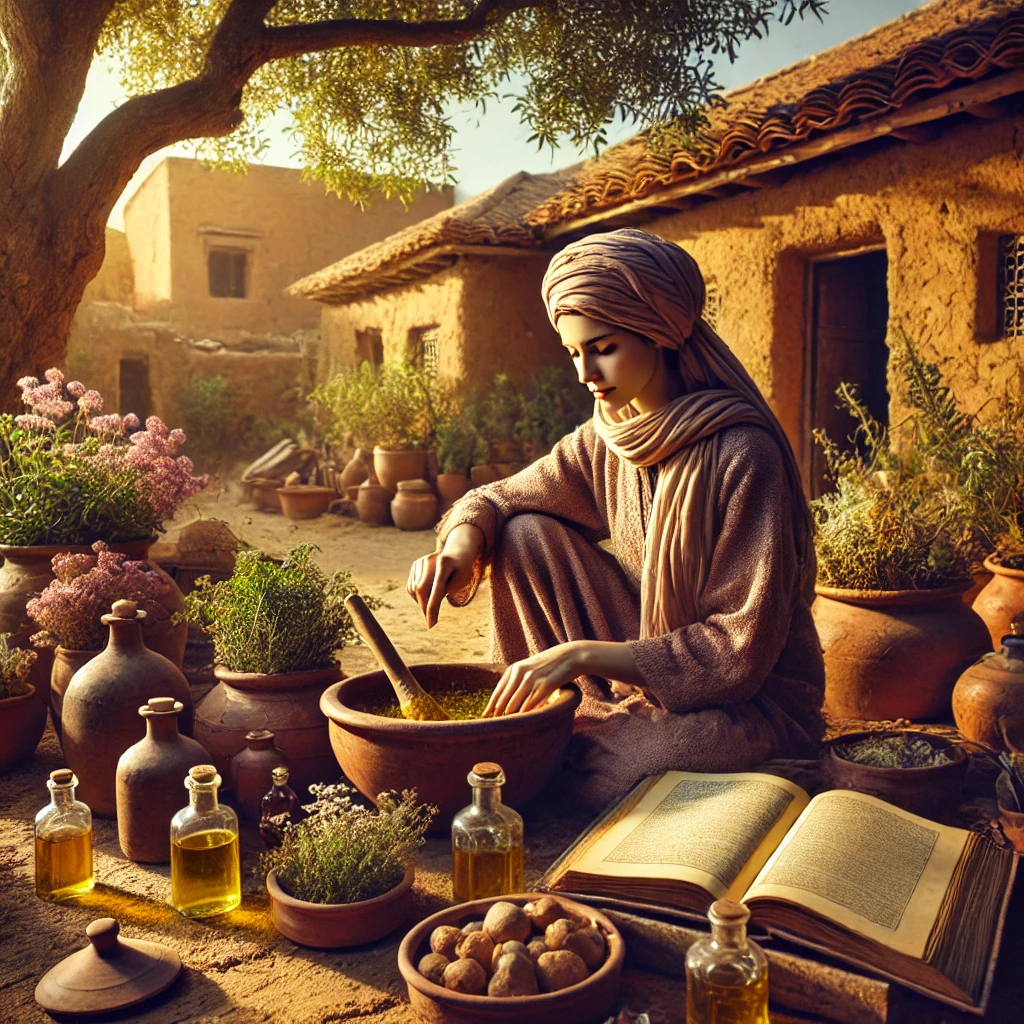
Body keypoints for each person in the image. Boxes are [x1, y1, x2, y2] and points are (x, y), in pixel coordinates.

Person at [408, 228, 825, 809]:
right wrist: (458, 546)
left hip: (747, 698)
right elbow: (501, 497)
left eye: (602, 347)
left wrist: (579, 655)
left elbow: (737, 654)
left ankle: (592, 728)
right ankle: (581, 721)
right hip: (646, 654)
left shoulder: (743, 454)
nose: (586, 373)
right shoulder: (610, 438)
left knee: (605, 773)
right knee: (523, 533)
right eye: (574, 353)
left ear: (659, 334)